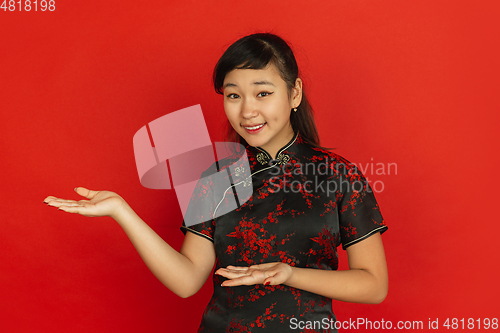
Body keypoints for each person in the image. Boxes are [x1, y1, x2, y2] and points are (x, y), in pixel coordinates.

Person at [44, 33, 388, 332]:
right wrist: (122, 211)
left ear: (294, 92)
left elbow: (374, 285)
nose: (247, 111)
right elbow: (187, 279)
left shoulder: (337, 175)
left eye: (263, 93)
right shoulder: (218, 179)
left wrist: (290, 274)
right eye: (234, 95)